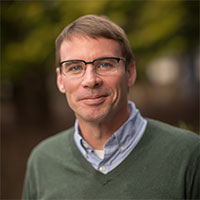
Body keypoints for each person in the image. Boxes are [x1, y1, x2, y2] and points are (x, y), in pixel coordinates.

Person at [23, 14, 200, 199]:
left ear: (130, 72)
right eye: (75, 67)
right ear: (60, 80)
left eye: (105, 64)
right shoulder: (42, 161)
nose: (90, 80)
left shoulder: (189, 155)